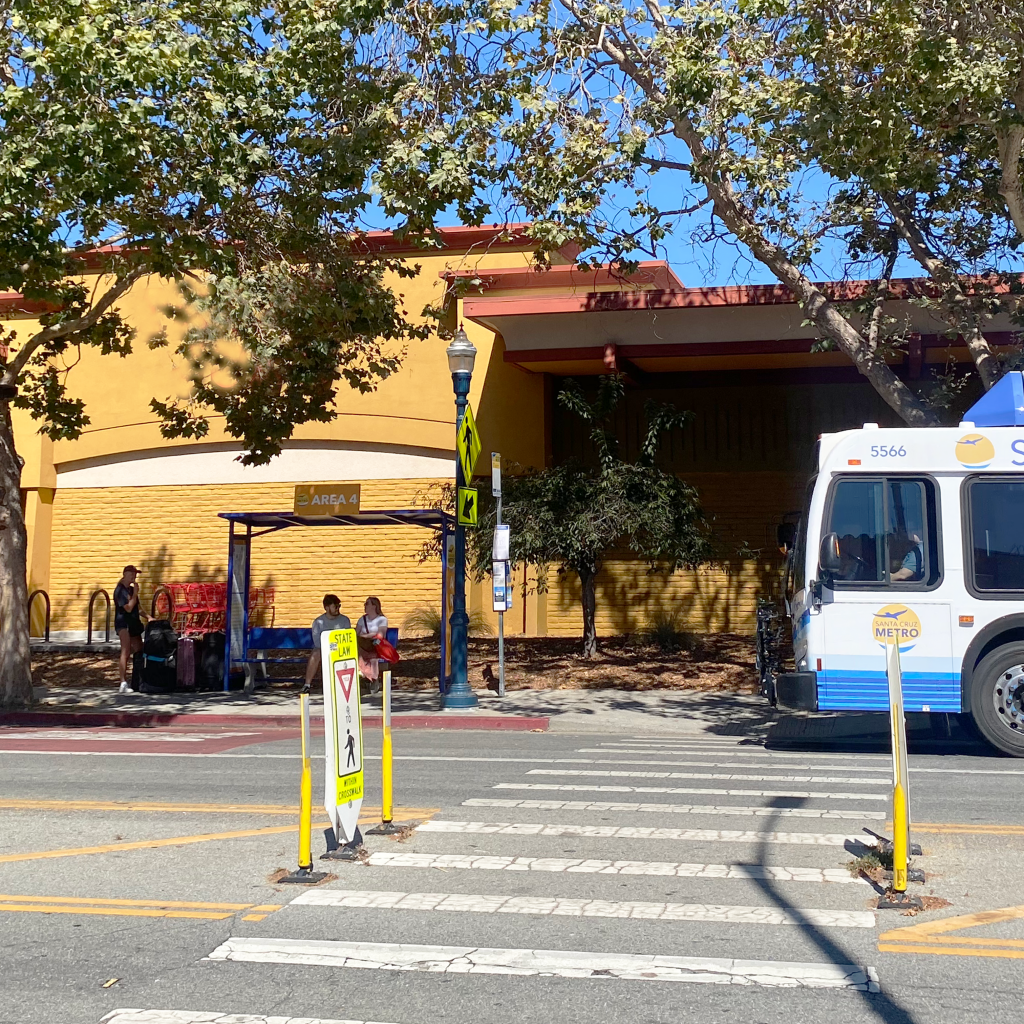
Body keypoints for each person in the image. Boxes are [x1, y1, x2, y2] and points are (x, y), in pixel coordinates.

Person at [304, 594, 351, 691]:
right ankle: (307, 685)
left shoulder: (345, 620)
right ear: (326, 608)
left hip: (341, 650)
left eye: (339, 606)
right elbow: (317, 642)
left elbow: (347, 639)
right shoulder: (318, 622)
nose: (338, 608)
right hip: (324, 649)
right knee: (315, 653)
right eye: (335, 606)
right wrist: (331, 646)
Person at [114, 565, 146, 693]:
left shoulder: (131, 590)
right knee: (126, 651)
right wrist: (136, 592)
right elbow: (128, 608)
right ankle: (123, 682)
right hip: (124, 623)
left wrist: (149, 617)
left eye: (135, 574)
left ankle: (138, 679)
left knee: (139, 650)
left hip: (134, 623)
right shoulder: (120, 590)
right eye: (132, 574)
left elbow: (137, 607)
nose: (134, 576)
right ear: (125, 574)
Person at [356, 596, 388, 689]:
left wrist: (365, 636)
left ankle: (371, 678)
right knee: (357, 652)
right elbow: (356, 634)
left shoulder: (382, 619)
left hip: (376, 644)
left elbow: (380, 635)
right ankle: (368, 677)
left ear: (374, 606)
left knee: (373, 656)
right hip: (363, 645)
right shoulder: (362, 619)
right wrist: (369, 635)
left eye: (367, 604)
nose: (365, 606)